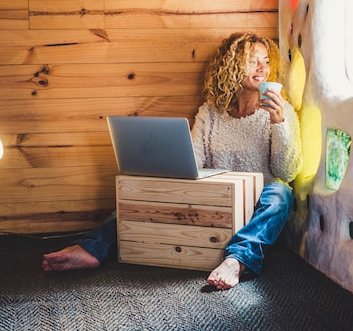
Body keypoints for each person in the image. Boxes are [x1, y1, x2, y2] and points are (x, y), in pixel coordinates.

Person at [42, 32, 302, 291]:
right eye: (252, 60)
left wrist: (278, 123)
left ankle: (237, 260)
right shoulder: (210, 112)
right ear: (231, 65)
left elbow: (286, 171)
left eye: (266, 61)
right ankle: (92, 247)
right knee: (144, 191)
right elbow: (194, 162)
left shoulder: (281, 111)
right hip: (214, 201)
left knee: (281, 193)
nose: (262, 68)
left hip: (255, 207)